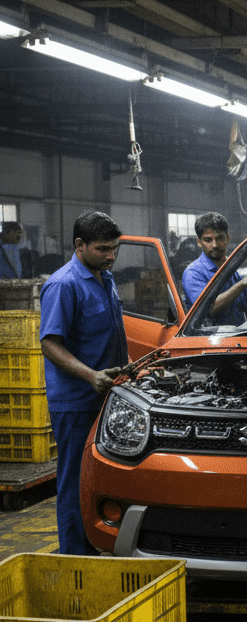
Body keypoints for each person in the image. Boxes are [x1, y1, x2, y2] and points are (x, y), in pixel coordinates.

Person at [39, 211, 128, 555]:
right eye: (104, 249)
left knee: (99, 481)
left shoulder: (105, 277)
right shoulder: (64, 284)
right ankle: (75, 556)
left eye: (114, 249)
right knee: (75, 482)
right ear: (80, 245)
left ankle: (96, 547)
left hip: (105, 397)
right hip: (76, 402)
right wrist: (91, 376)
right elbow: (49, 343)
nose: (111, 255)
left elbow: (114, 334)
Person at [182, 212, 247, 324]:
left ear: (227, 238)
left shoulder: (229, 268)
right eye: (208, 240)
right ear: (199, 242)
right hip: (207, 339)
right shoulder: (193, 273)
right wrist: (242, 284)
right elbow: (208, 309)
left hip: (236, 337)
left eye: (220, 238)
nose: (215, 245)